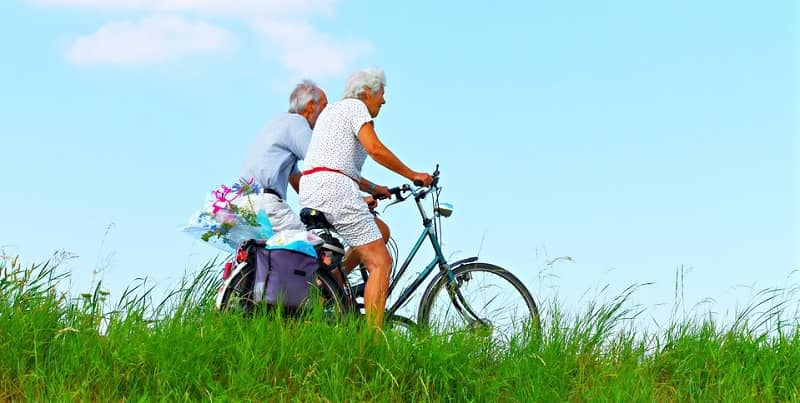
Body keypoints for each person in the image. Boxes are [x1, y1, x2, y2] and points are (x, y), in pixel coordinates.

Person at [299, 67, 433, 329]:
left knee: (380, 231)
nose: (383, 100)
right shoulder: (356, 107)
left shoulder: (332, 111)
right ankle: (372, 343)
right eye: (382, 93)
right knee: (381, 262)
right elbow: (375, 149)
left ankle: (332, 287)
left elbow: (335, 162)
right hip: (335, 190)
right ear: (367, 92)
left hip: (314, 188)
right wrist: (413, 174)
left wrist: (373, 188)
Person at [237, 80, 328, 234]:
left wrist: (324, 203)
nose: (327, 114)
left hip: (244, 205)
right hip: (266, 205)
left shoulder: (277, 123)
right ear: (311, 105)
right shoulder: (298, 123)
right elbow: (324, 164)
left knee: (266, 256)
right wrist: (353, 200)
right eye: (325, 106)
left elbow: (297, 180)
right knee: (311, 248)